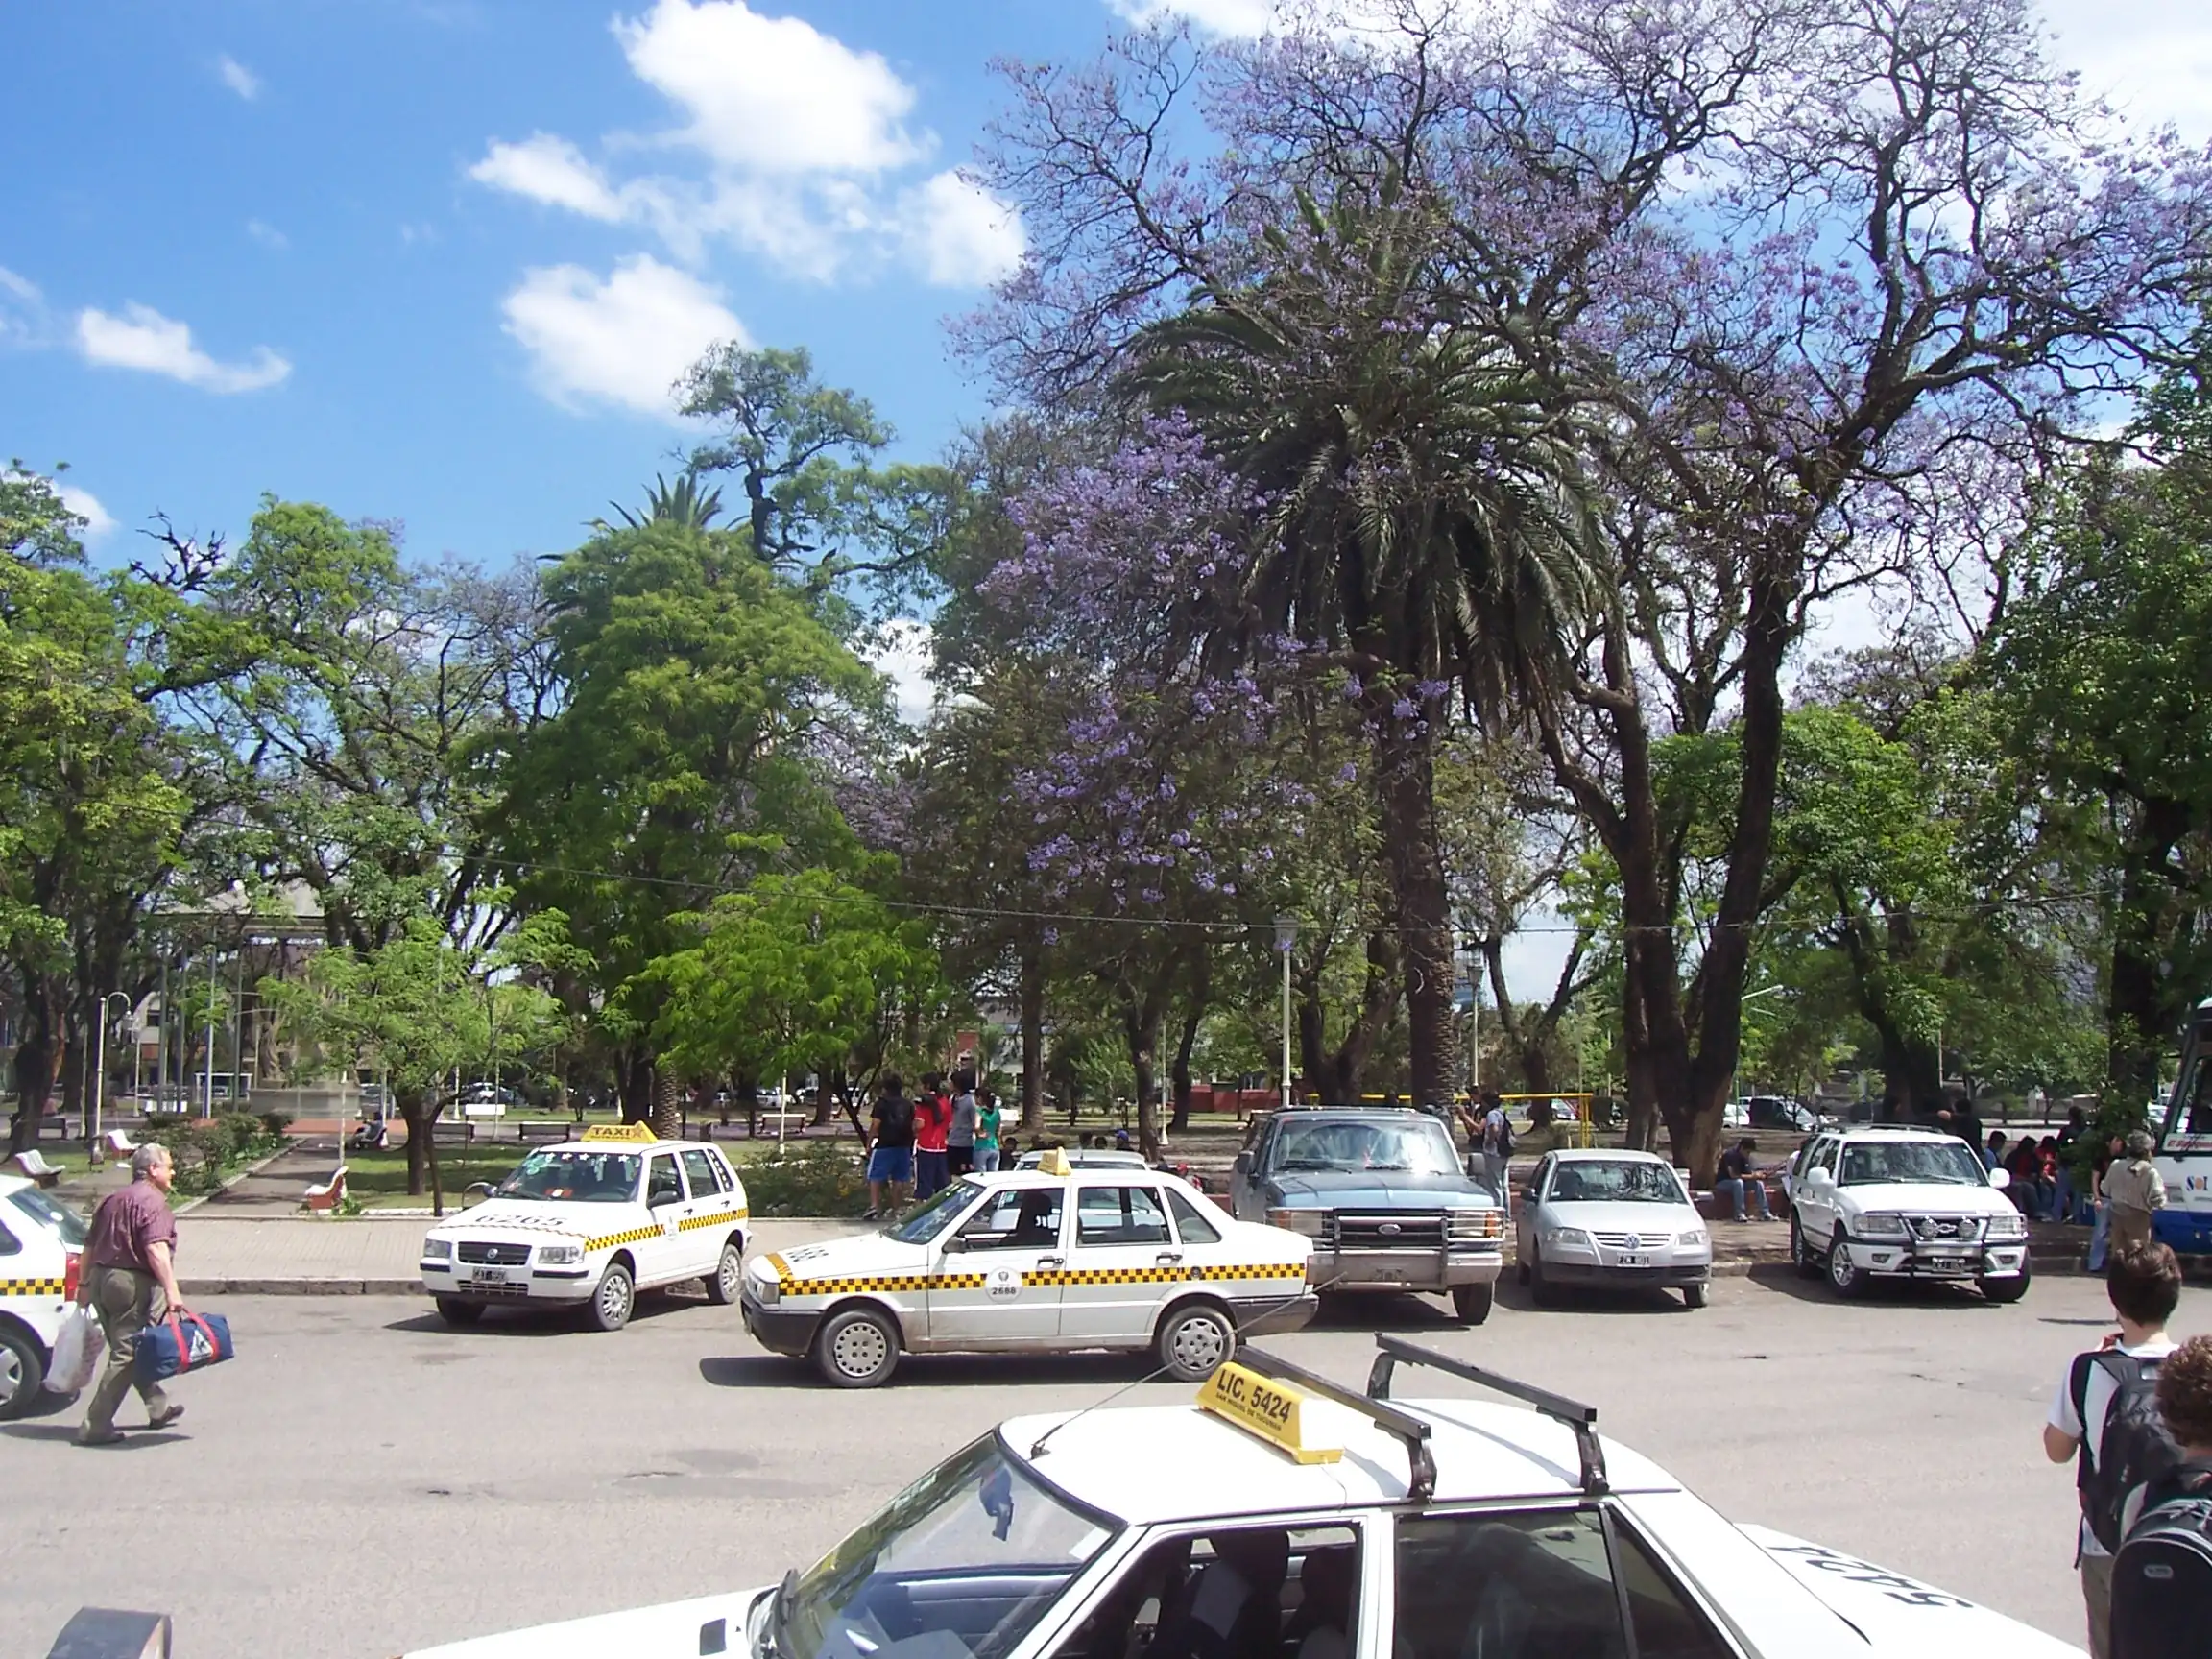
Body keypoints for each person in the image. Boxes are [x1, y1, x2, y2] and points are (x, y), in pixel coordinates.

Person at [2043, 1242, 2184, 1659]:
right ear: (2174, 1296)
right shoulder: (2195, 1367)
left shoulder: (2090, 1368)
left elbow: (2057, 1449)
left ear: (2115, 1299)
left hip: (2108, 1545)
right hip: (2189, 1538)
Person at [76, 1142, 189, 1446]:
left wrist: (84, 1284)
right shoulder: (153, 1203)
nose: (172, 1172)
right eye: (168, 1165)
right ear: (153, 1170)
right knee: (126, 1354)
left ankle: (158, 1407)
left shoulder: (113, 1199)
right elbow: (155, 1249)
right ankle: (96, 1425)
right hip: (128, 1283)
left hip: (101, 1279)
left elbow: (89, 1244)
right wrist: (172, 1290)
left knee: (131, 1349)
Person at [2106, 1132, 2170, 1260]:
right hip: (2139, 1217)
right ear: (2148, 1151)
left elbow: (2105, 1189)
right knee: (2138, 1256)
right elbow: (2158, 1198)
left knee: (2118, 1255)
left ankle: (2118, 1278)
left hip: (2117, 1215)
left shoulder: (2115, 1165)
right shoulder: (2150, 1171)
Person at [865, 1073, 916, 1218]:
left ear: (885, 1088)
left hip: (885, 1145)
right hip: (904, 1145)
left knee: (875, 1176)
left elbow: (875, 1125)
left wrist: (869, 1144)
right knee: (899, 1178)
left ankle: (874, 1206)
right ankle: (896, 1208)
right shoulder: (908, 1105)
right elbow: (913, 1126)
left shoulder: (881, 1104)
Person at [2089, 1134, 2127, 1273]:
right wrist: (2097, 1197)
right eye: (2116, 1140)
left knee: (2119, 1233)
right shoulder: (2101, 1159)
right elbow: (2095, 1178)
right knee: (2100, 1232)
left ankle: (2117, 1264)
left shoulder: (2123, 1159)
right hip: (2104, 1198)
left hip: (2119, 1199)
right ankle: (2095, 1264)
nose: (2119, 1144)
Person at [1715, 1137, 1773, 1222]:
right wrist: (1752, 1177)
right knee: (1738, 1183)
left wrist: (1758, 1175)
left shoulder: (1746, 1158)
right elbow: (1733, 1175)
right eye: (1748, 1152)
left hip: (1739, 1183)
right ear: (1742, 1148)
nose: (1749, 1154)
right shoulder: (1730, 1155)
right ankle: (1739, 1213)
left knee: (1758, 1183)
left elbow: (1749, 1173)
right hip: (1723, 1183)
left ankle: (1765, 1212)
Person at [913, 1073, 951, 1201]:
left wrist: (912, 1127)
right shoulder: (945, 1101)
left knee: (924, 1183)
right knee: (941, 1184)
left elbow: (919, 1124)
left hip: (925, 1146)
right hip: (941, 1146)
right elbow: (949, 1124)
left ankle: (922, 1213)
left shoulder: (923, 1103)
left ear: (927, 1085)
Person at [947, 1069, 979, 1179]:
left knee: (965, 1172)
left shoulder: (970, 1100)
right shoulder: (953, 1099)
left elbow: (974, 1120)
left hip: (965, 1143)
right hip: (952, 1141)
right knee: (951, 1171)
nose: (949, 1084)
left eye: (951, 1082)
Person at [974, 1090, 1003, 1173]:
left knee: (981, 1176)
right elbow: (999, 1130)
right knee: (993, 1176)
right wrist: (1000, 1143)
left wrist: (980, 1133)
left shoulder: (980, 1111)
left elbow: (977, 1126)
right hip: (994, 1146)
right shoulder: (996, 1112)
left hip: (981, 1146)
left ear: (980, 1098)